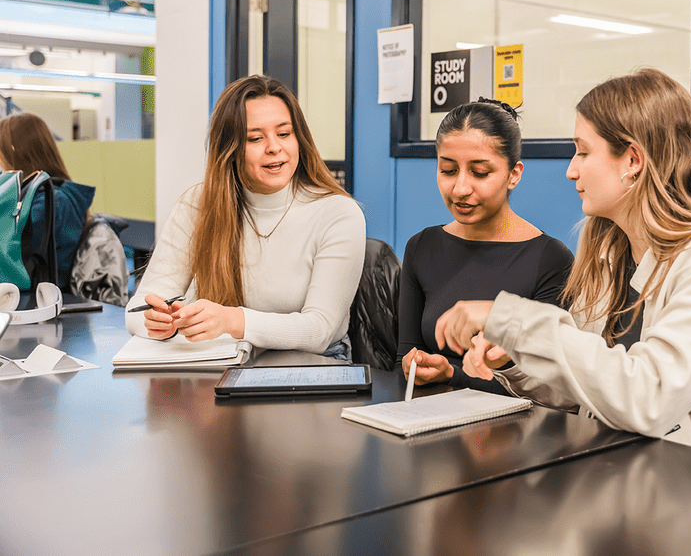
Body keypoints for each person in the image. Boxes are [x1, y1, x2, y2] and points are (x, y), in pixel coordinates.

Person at [435, 69, 691, 476]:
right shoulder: (612, 253)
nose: (571, 170)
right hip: (653, 485)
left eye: (583, 152)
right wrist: (515, 359)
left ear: (632, 160)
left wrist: (511, 319)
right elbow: (589, 388)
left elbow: (646, 397)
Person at [125, 75, 365, 357]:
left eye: (284, 134)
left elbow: (319, 331)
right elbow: (136, 309)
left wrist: (232, 320)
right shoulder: (197, 204)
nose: (274, 147)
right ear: (230, 149)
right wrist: (156, 321)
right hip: (224, 356)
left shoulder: (338, 213)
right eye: (255, 138)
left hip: (314, 362)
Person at [398, 99, 574, 394]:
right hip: (428, 423)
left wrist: (453, 375)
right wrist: (417, 365)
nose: (460, 189)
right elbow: (403, 359)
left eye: (480, 173)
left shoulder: (551, 259)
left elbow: (551, 388)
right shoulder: (421, 247)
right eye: (448, 170)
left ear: (513, 174)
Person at [0, 112, 95, 289]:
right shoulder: (38, 194)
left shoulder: (52, 200)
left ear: (13, 149)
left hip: (39, 294)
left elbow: (15, 254)